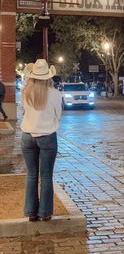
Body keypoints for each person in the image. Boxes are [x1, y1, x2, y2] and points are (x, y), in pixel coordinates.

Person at [20, 59, 62, 222]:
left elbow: (24, 112)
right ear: (48, 76)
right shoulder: (55, 94)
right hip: (47, 137)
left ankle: (31, 212)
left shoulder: (25, 92)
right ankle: (45, 213)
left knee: (31, 175)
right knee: (46, 176)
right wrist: (51, 124)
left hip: (27, 136)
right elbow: (58, 115)